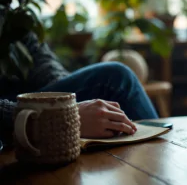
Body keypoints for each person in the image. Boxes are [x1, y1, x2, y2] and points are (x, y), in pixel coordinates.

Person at [0, 32, 159, 139]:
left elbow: (38, 58)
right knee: (115, 78)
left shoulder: (10, 2)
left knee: (116, 79)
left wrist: (67, 97)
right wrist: (61, 119)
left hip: (24, 94)